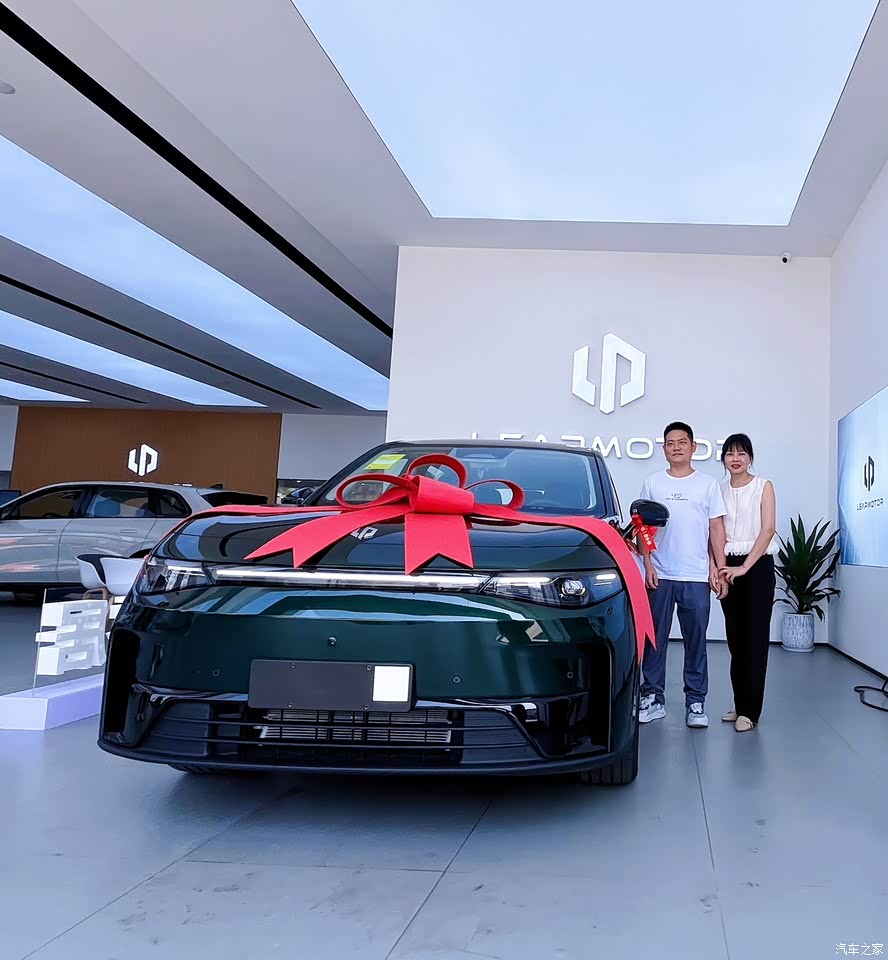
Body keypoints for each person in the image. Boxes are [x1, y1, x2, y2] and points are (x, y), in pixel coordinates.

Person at [637, 421, 727, 728]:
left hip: (696, 576)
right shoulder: (653, 483)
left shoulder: (708, 484)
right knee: (654, 640)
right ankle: (653, 697)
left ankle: (696, 702)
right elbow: (642, 528)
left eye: (682, 442)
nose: (676, 447)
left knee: (696, 641)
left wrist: (719, 567)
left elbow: (716, 528)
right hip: (660, 574)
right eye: (670, 443)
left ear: (693, 447)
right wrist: (648, 564)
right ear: (664, 449)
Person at [716, 433, 777, 733]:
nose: (735, 459)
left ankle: (751, 712)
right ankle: (740, 704)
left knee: (755, 641)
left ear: (750, 457)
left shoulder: (764, 486)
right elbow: (714, 531)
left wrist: (744, 568)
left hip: (757, 566)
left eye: (741, 453)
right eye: (730, 454)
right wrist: (719, 569)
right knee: (735, 640)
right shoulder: (719, 490)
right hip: (728, 567)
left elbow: (768, 530)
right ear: (724, 459)